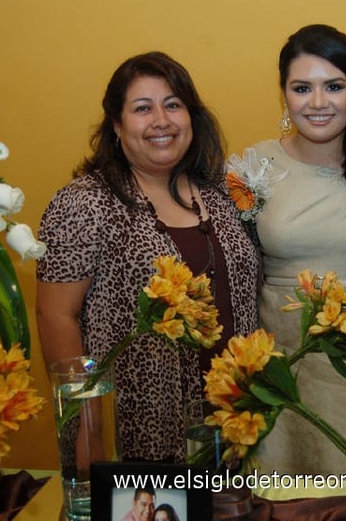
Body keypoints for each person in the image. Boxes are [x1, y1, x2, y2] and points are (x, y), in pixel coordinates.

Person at [37, 52, 260, 462]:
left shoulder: (221, 194)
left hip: (232, 429)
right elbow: (56, 317)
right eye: (143, 109)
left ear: (192, 117)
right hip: (137, 434)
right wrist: (87, 428)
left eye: (173, 104)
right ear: (118, 127)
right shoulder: (86, 202)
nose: (161, 120)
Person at [235, 24, 346, 475]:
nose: (318, 103)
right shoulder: (252, 166)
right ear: (284, 94)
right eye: (302, 88)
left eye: (333, 86)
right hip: (282, 362)